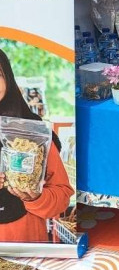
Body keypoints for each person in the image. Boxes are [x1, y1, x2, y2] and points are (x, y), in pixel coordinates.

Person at [0, 49, 74, 242]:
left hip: (24, 243)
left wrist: (35, 197)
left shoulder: (32, 132)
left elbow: (61, 197)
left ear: (8, 79)